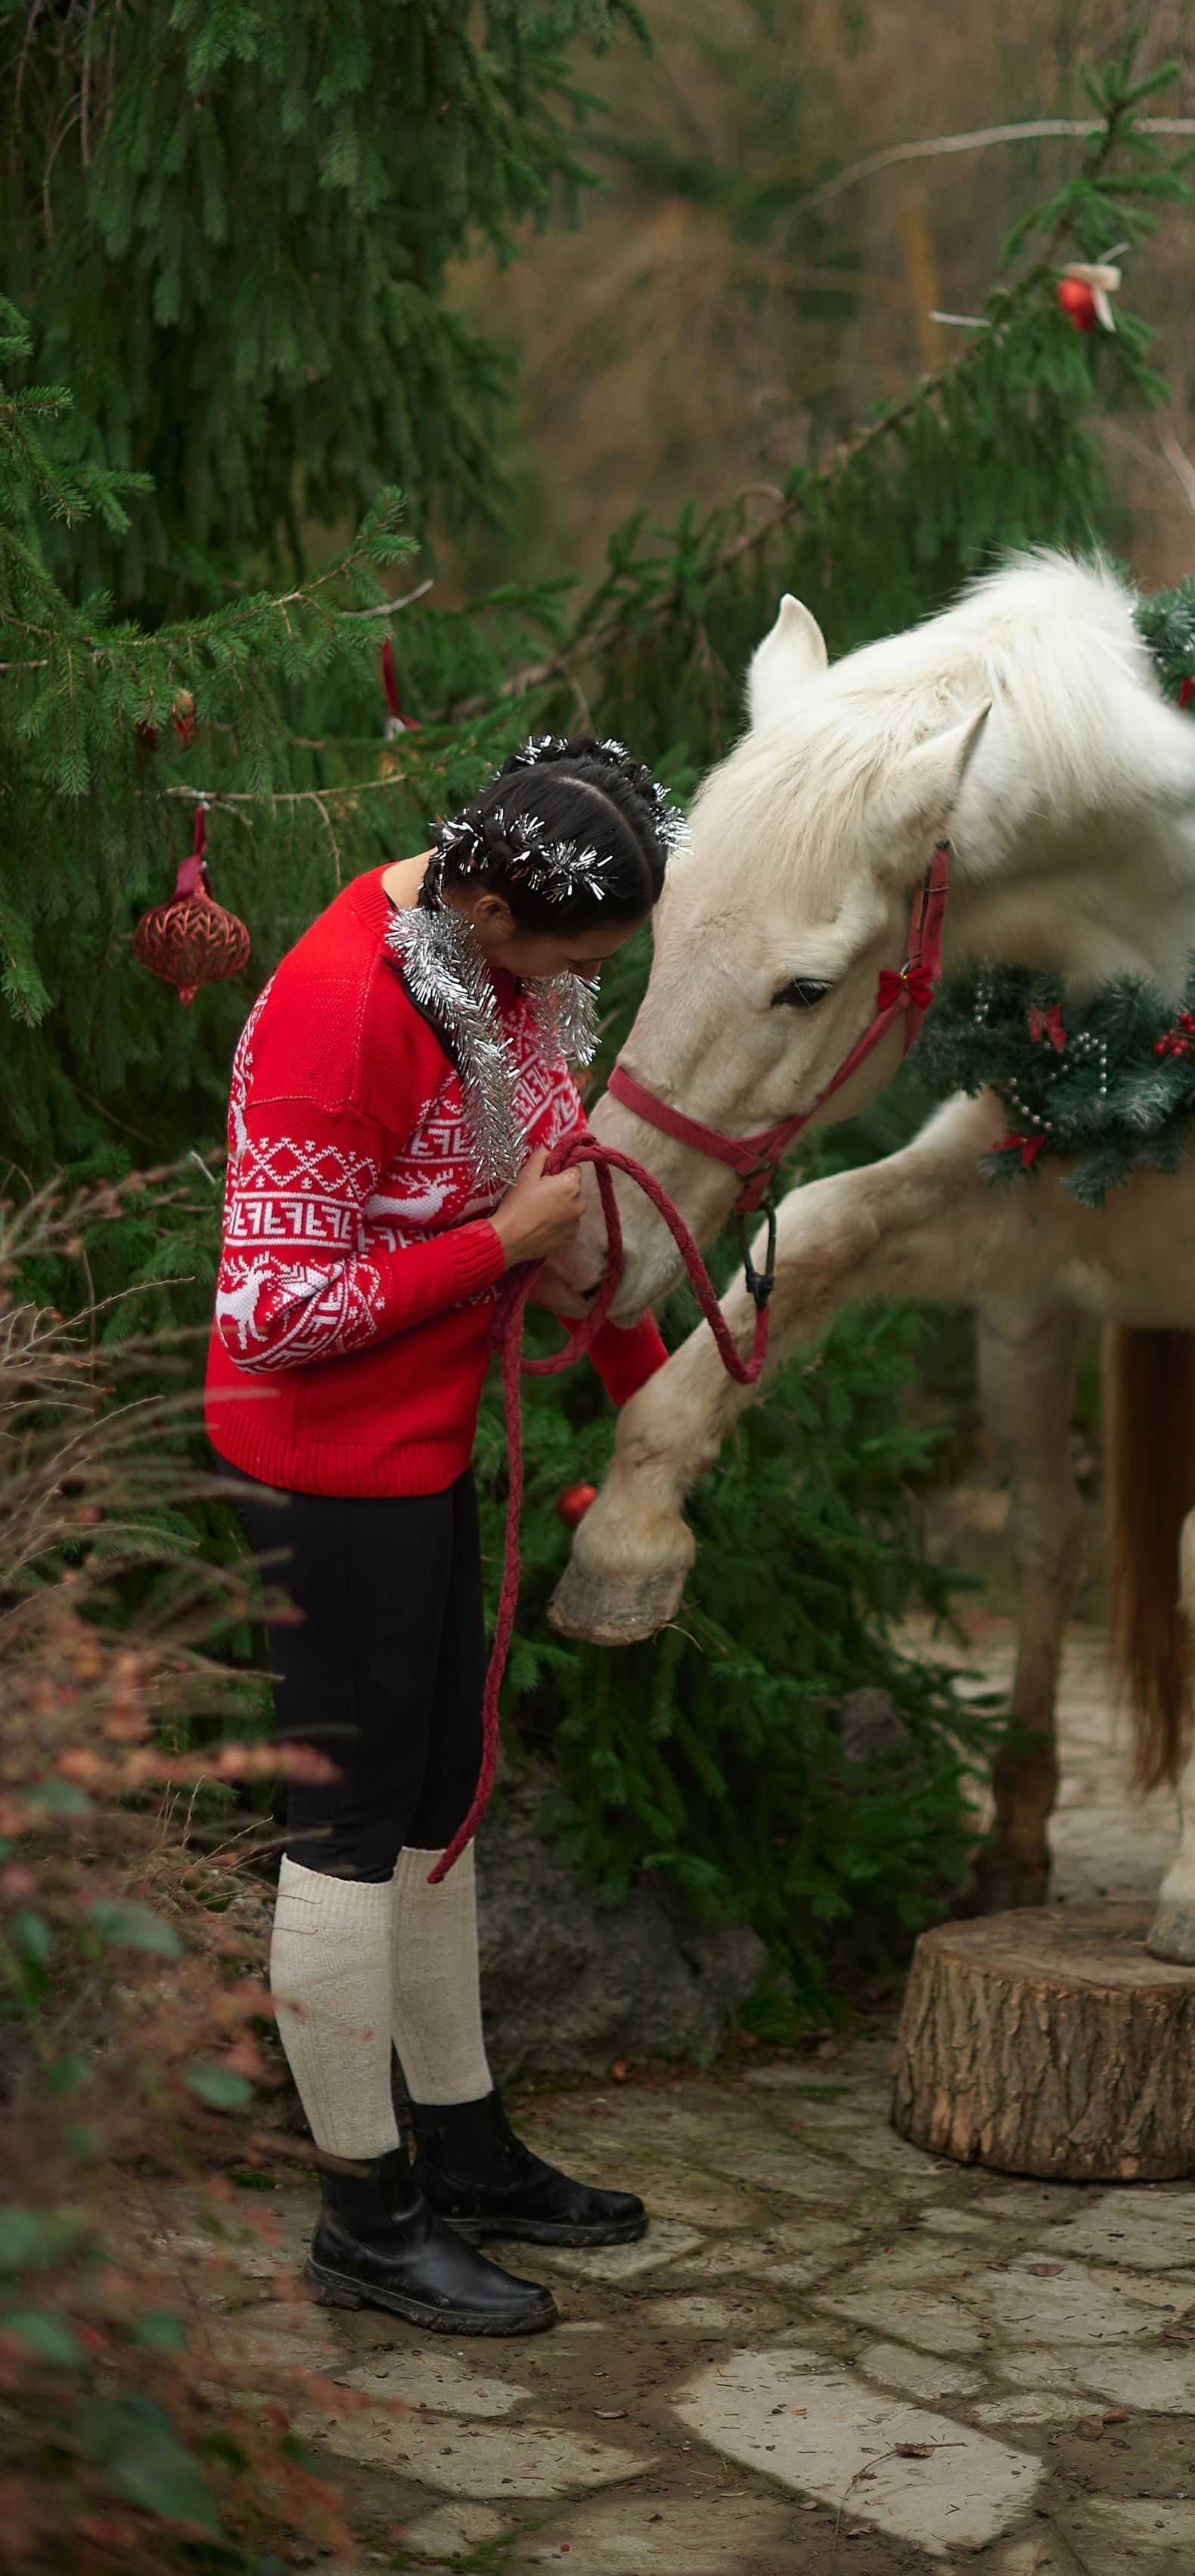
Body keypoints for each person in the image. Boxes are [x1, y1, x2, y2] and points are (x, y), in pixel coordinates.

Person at [208, 733, 677, 2336]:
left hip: (425, 1450)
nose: (576, 990)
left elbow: (556, 1212)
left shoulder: (505, 977)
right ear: (484, 904)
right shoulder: (344, 1009)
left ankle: (463, 2145)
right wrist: (493, 1246)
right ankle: (365, 2209)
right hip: (323, 1464)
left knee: (438, 1800)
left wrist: (648, 1403)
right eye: (568, 959)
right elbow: (269, 1315)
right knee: (346, 1828)